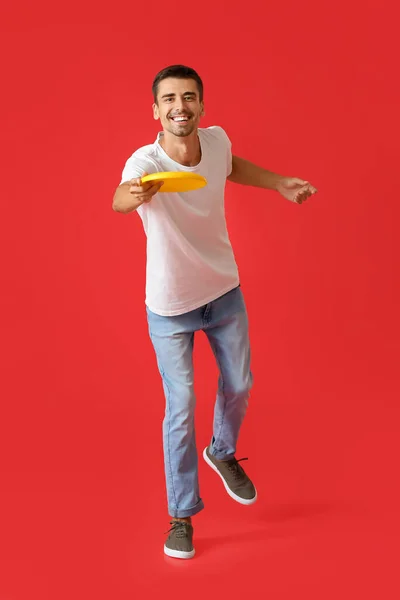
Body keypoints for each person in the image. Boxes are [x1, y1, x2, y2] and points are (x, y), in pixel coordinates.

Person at [112, 65, 317, 560]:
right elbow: (120, 198)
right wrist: (132, 196)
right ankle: (180, 516)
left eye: (188, 97)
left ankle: (221, 452)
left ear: (201, 105)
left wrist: (278, 184)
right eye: (169, 99)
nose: (179, 106)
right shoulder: (144, 161)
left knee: (240, 383)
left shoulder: (217, 141)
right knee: (180, 407)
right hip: (169, 307)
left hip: (224, 292)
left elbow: (232, 165)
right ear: (156, 111)